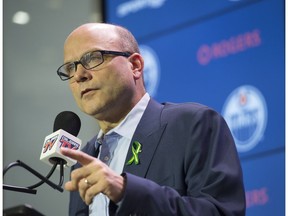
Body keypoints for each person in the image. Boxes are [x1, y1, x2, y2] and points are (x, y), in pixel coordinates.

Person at [58, 23, 246, 216]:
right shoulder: (84, 159)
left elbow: (221, 212)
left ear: (135, 66)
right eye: (70, 68)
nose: (79, 75)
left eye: (93, 58)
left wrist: (127, 190)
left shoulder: (192, 125)